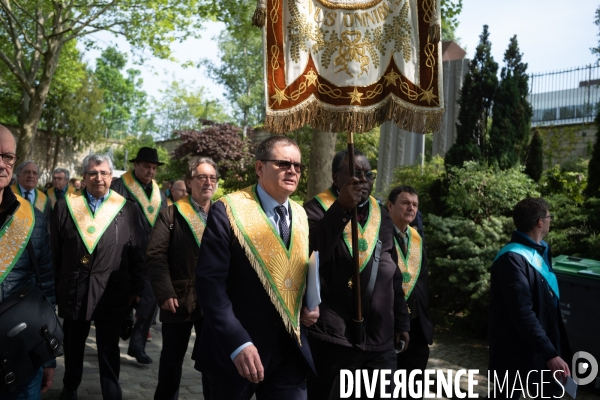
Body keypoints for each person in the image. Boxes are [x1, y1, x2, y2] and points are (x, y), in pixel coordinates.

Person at [194, 136, 317, 399]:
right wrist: (238, 342)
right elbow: (210, 285)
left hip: (288, 351)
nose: (293, 170)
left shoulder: (301, 214)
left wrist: (311, 303)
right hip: (237, 350)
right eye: (283, 163)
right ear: (260, 168)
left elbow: (301, 271)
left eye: (298, 166)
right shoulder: (227, 210)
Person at [304, 149, 410, 399]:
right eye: (355, 174)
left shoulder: (382, 215)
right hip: (334, 336)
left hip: (380, 336)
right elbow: (313, 254)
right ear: (335, 177)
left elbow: (392, 268)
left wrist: (402, 321)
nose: (363, 180)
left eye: (368, 175)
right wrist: (341, 207)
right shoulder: (314, 210)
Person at [52, 154, 145, 400]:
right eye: (92, 173)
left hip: (112, 290)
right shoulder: (64, 206)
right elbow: (55, 250)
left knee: (108, 347)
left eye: (103, 173)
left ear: (111, 176)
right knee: (73, 345)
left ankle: (111, 394)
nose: (98, 178)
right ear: (84, 177)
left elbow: (137, 251)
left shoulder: (127, 208)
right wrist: (55, 287)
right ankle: (70, 386)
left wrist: (137, 289)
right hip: (76, 287)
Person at [146, 157, 218, 400]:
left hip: (214, 303)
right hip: (179, 299)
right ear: (189, 182)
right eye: (201, 177)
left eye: (212, 178)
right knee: (171, 364)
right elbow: (155, 255)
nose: (208, 182)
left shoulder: (224, 214)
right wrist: (165, 292)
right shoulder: (171, 214)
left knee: (213, 364)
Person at [488, 198, 571, 399]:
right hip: (515, 350)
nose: (551, 221)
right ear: (540, 222)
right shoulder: (512, 258)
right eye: (549, 217)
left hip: (542, 346)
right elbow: (522, 312)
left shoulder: (542, 250)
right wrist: (550, 353)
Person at [0, 125, 56, 398]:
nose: (2, 164)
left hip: (23, 356)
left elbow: (45, 287)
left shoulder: (33, 218)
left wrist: (48, 357)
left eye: (8, 157)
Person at [111, 147, 167, 364]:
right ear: (136, 165)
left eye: (154, 168)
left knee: (149, 302)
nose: (150, 172)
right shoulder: (118, 186)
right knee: (121, 301)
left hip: (151, 257)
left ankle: (137, 345)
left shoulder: (159, 193)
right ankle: (112, 342)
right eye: (146, 167)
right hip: (123, 255)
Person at [386, 186, 433, 398]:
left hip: (417, 327)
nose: (410, 208)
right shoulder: (377, 235)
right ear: (390, 206)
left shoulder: (416, 238)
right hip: (386, 324)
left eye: (414, 205)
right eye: (405, 203)